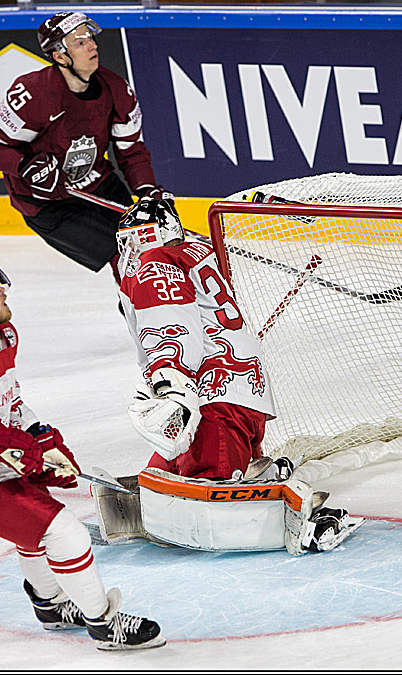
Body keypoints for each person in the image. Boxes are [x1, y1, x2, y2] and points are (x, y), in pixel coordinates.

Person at [0, 254, 164, 651]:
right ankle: (103, 623)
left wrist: (37, 434)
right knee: (65, 532)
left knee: (35, 533)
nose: (2, 290)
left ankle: (51, 606)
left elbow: (8, 400)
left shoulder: (2, 335)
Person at [111, 198, 363, 554]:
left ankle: (311, 520)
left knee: (208, 493)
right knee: (161, 479)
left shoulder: (156, 263)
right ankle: (261, 475)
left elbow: (172, 325)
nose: (129, 250)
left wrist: (170, 384)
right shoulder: (194, 252)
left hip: (211, 401)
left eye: (133, 238)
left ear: (151, 235)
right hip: (241, 393)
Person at [0, 11, 172, 284]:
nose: (92, 46)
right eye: (80, 42)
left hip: (98, 182)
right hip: (48, 203)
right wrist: (25, 167)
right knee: (123, 254)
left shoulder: (117, 90)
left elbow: (131, 151)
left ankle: (146, 303)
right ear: (60, 57)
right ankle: (139, 303)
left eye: (90, 38)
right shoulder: (33, 94)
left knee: (145, 244)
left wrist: (147, 190)